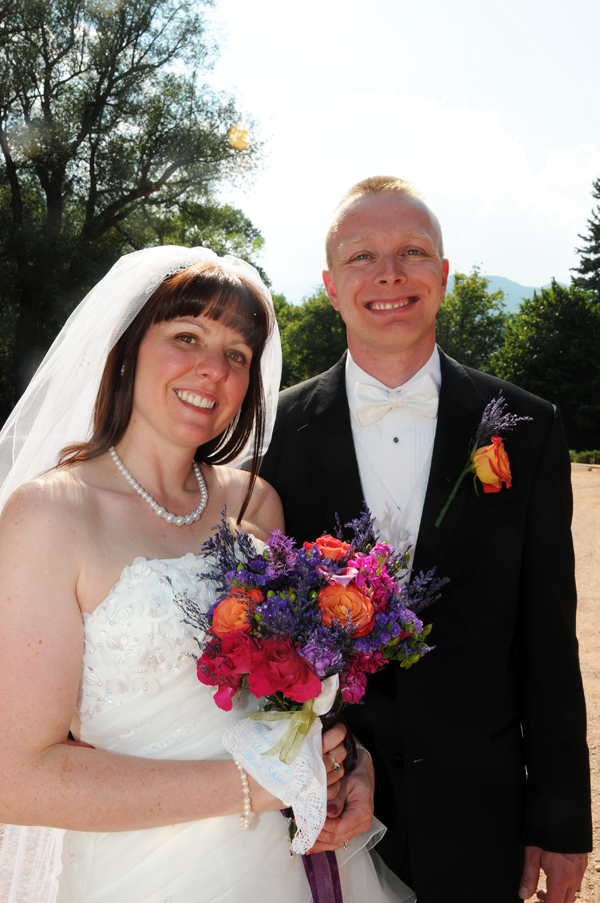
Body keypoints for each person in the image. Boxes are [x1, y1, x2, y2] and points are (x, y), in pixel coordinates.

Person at [0, 246, 413, 903]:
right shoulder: (50, 515)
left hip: (288, 867)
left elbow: (287, 692)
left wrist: (343, 761)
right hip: (142, 876)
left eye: (238, 354)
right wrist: (256, 786)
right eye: (186, 336)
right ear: (128, 349)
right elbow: (14, 778)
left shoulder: (256, 502)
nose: (212, 369)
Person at [260, 177, 593, 903]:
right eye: (362, 257)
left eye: (413, 252)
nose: (389, 273)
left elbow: (547, 640)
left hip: (480, 819)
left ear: (443, 275)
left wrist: (564, 817)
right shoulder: (270, 436)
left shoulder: (526, 431)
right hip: (318, 818)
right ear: (329, 285)